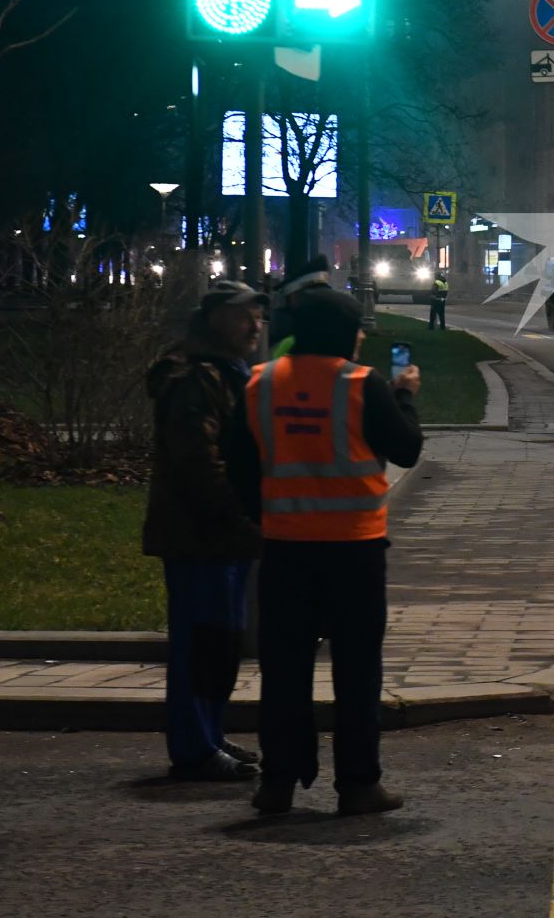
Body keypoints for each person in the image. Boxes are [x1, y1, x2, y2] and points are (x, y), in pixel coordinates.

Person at [234, 286, 423, 817]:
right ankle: (359, 785)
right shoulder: (363, 385)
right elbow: (406, 447)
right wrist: (406, 393)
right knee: (357, 671)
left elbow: (239, 464)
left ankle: (277, 783)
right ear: (343, 333)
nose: (363, 336)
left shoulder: (260, 383)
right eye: (359, 327)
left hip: (285, 549)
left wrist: (267, 516)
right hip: (354, 549)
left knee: (284, 670)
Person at [141, 280, 267, 782]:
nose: (254, 325)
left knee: (219, 643)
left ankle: (209, 734)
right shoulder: (196, 378)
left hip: (224, 533)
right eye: (243, 316)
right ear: (213, 319)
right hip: (201, 534)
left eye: (257, 316)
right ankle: (193, 745)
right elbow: (199, 460)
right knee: (199, 642)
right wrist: (234, 515)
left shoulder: (230, 372)